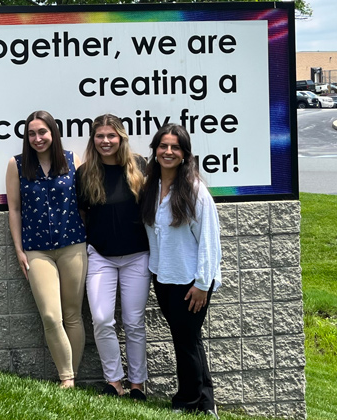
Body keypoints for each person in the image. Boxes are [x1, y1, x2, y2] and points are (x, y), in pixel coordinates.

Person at [141, 123, 222, 418]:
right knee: (188, 339)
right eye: (163, 146)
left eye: (175, 147)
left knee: (186, 341)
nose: (168, 152)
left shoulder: (196, 191)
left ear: (186, 154)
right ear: (155, 150)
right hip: (164, 277)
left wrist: (203, 283)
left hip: (191, 281)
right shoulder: (151, 187)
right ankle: (206, 402)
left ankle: (187, 401)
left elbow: (209, 241)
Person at [5, 110, 87, 388]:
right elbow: (14, 209)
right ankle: (67, 378)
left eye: (42, 132)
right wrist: (19, 249)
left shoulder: (73, 160)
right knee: (51, 315)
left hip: (73, 245)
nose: (37, 138)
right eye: (31, 133)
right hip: (37, 250)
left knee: (73, 314)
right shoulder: (16, 165)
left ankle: (69, 379)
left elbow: (84, 202)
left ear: (53, 133)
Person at [76, 114, 150, 400]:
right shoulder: (85, 174)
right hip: (100, 256)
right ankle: (114, 381)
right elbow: (83, 213)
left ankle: (137, 385)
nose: (105, 141)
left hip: (137, 256)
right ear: (93, 140)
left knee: (133, 322)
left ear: (121, 138)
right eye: (100, 136)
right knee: (102, 318)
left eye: (111, 136)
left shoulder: (140, 166)